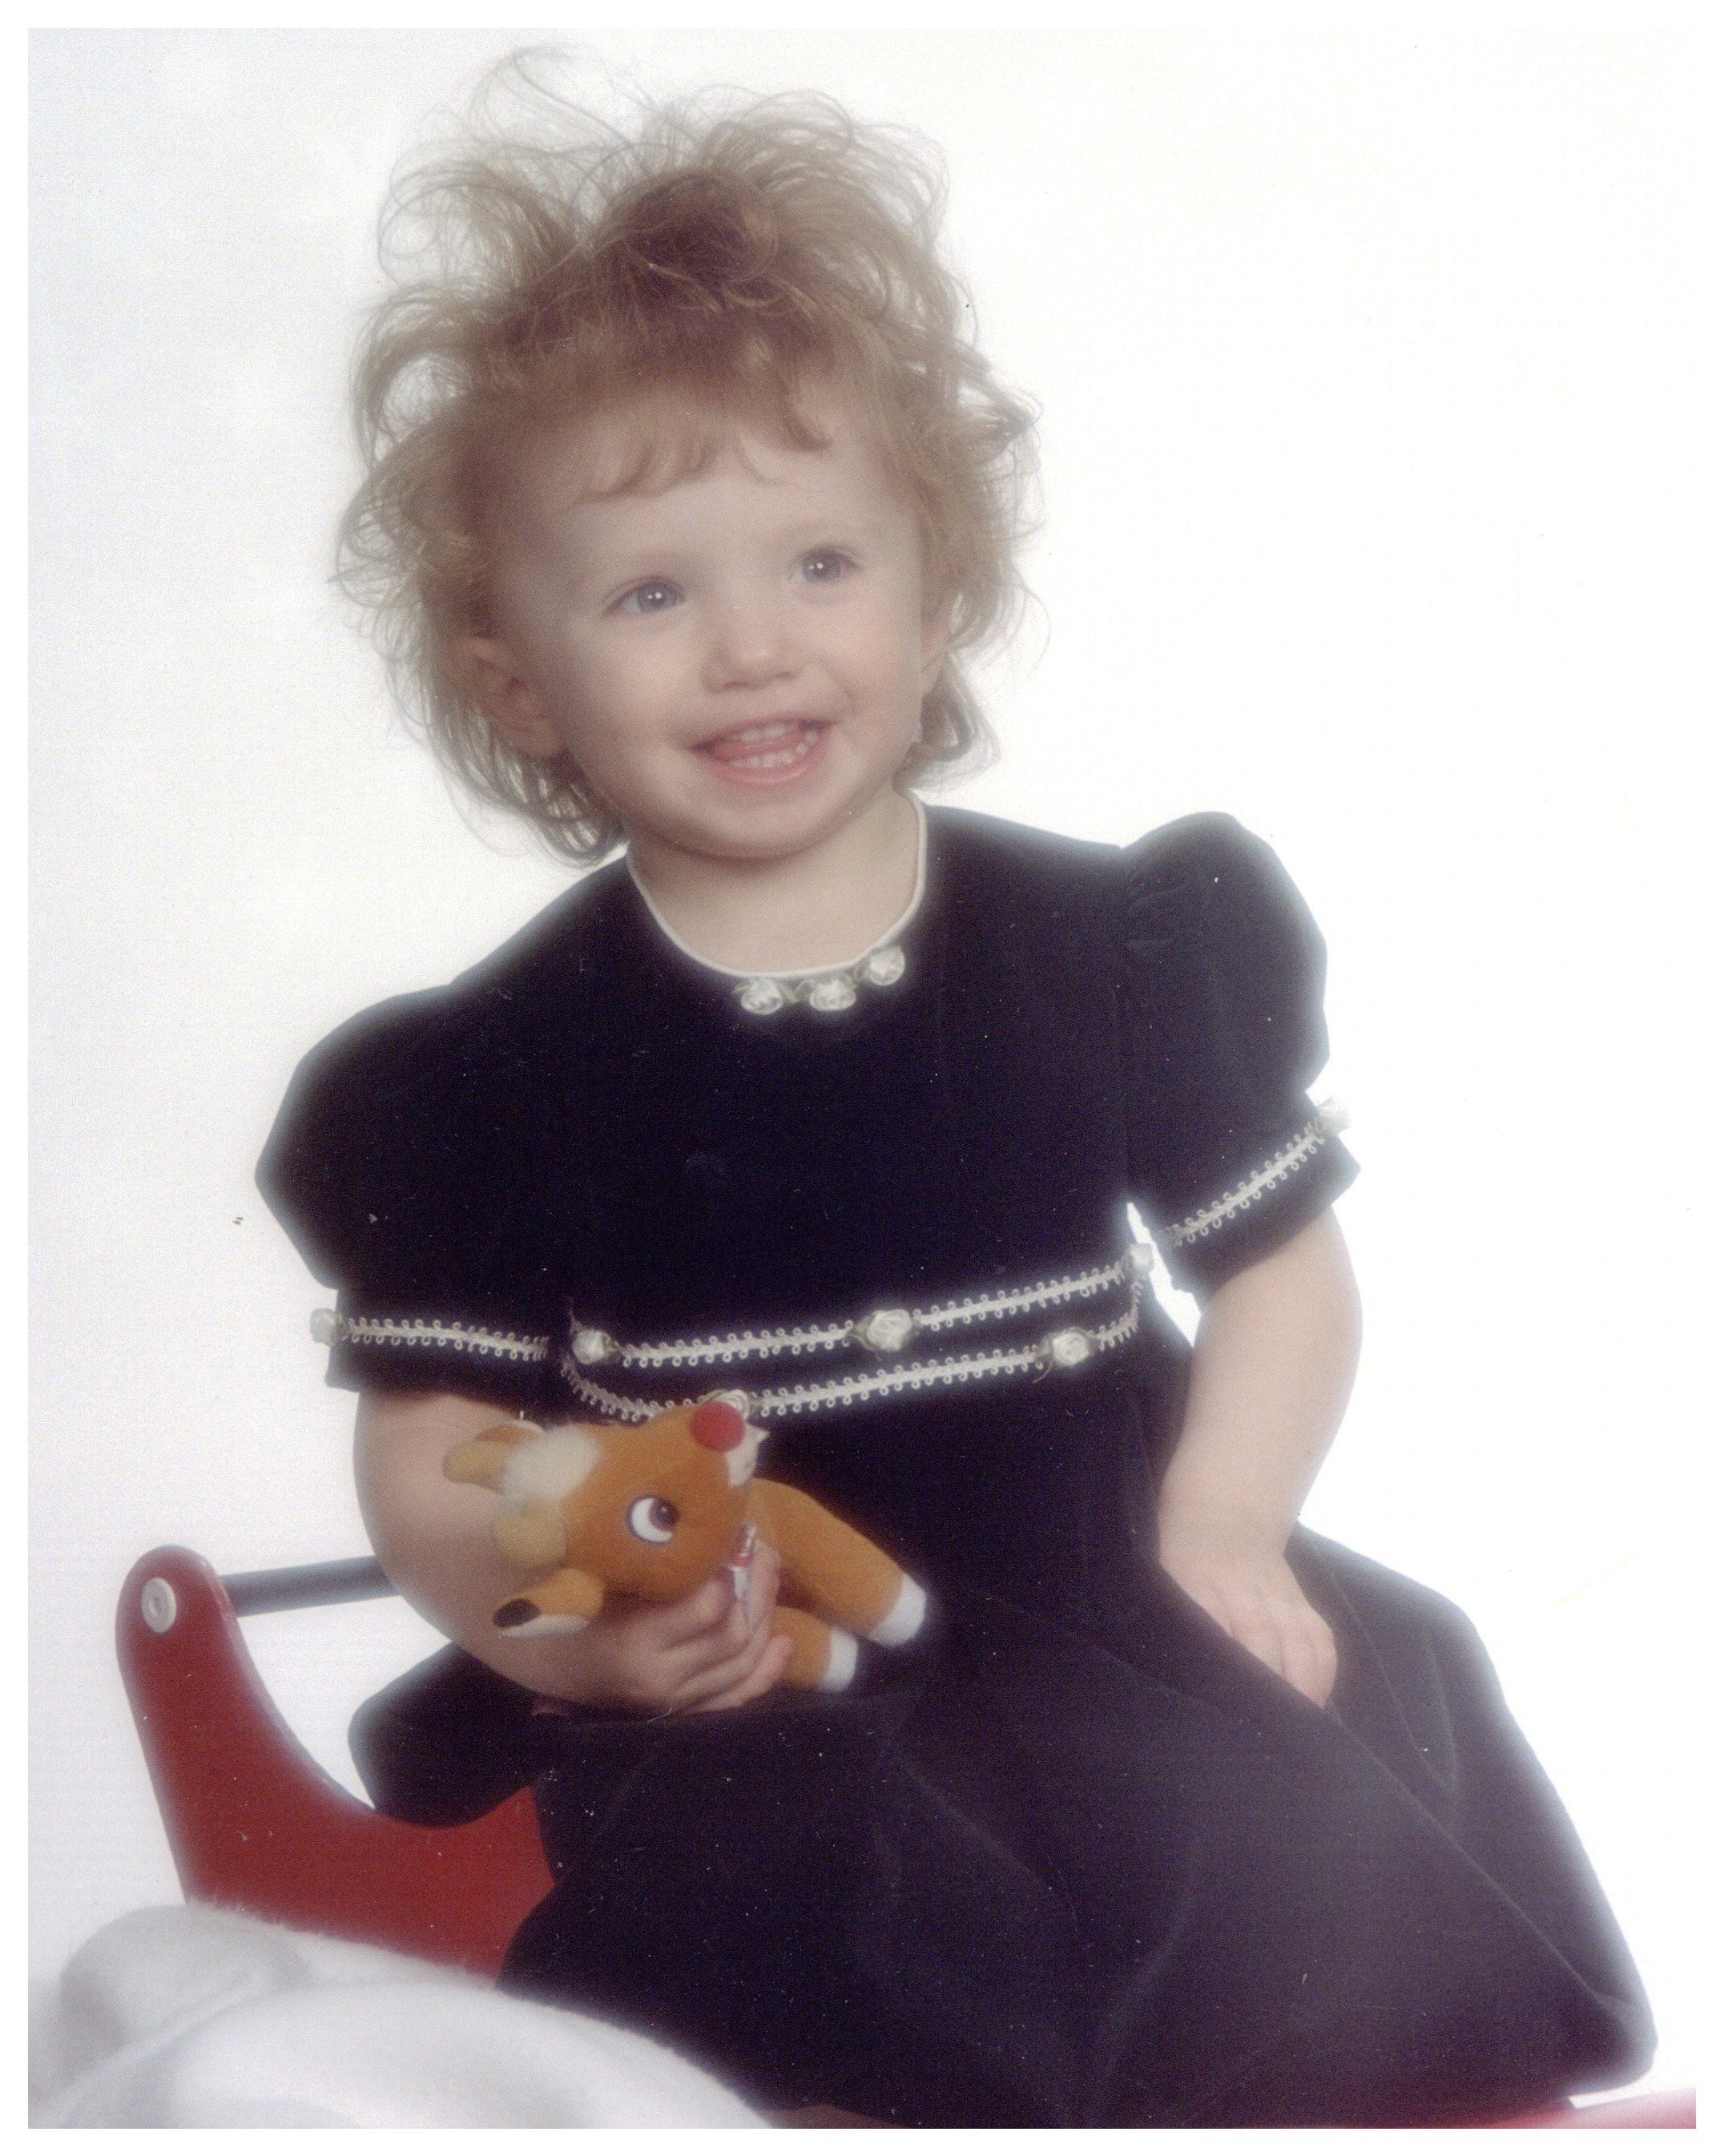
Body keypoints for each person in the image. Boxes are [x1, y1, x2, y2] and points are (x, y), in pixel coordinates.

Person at [258, 73, 1653, 2127]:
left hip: (1108, 1577)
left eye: (818, 561)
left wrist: (1220, 1523)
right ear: (518, 682)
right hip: (759, 1637)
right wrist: (570, 1647)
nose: (750, 645)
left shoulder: (1104, 946)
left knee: (1259, 1787)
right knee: (820, 1861)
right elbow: (434, 1444)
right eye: (649, 592)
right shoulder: (494, 1075)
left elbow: (1278, 1276)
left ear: (930, 600)